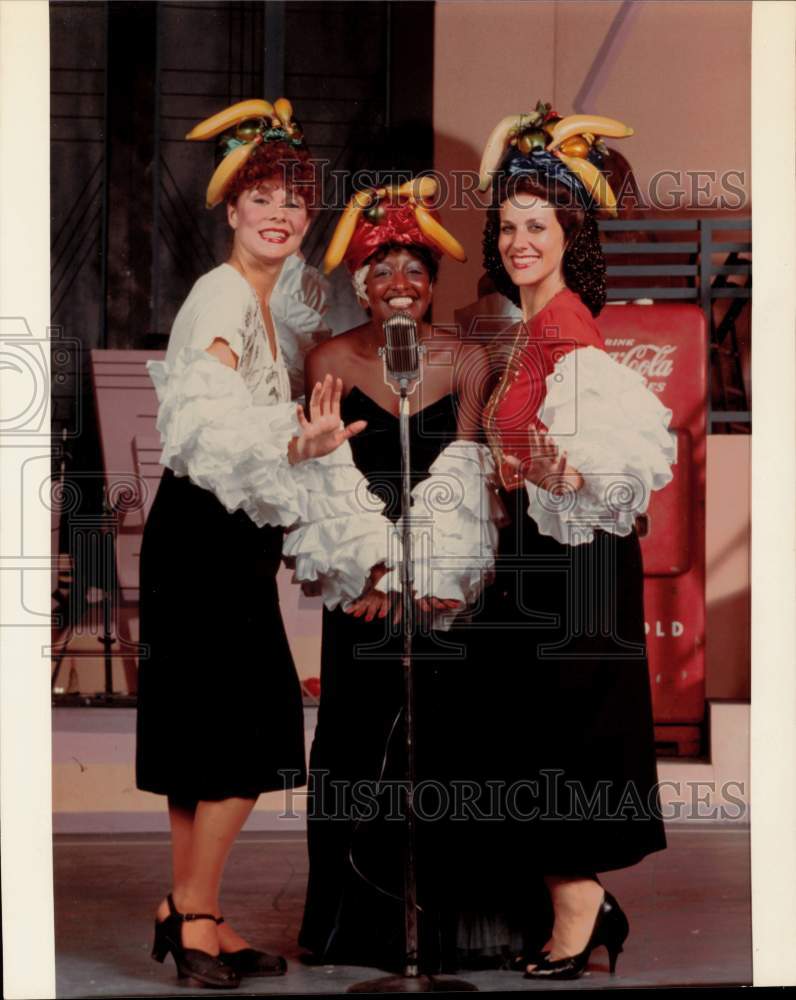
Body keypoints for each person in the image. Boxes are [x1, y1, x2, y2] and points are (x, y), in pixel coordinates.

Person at [136, 98, 389, 991]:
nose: (280, 214)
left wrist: (304, 451)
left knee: (203, 745)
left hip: (220, 538)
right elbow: (203, 428)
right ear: (231, 207)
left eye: (295, 201)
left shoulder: (272, 303)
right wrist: (294, 441)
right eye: (262, 198)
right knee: (248, 739)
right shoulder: (220, 294)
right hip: (202, 537)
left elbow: (267, 437)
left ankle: (191, 913)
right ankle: (194, 915)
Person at [451, 100, 674, 980]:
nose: (519, 241)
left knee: (561, 733)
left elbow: (611, 468)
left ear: (568, 233)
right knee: (535, 732)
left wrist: (557, 471)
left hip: (575, 565)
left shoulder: (566, 326)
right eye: (508, 227)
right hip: (545, 558)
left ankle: (581, 909)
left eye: (537, 226)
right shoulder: (528, 330)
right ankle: (580, 907)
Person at [281, 179, 505, 972]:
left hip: (445, 588)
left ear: (433, 284)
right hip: (364, 589)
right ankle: (352, 925)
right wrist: (373, 572)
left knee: (449, 737)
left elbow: (468, 471)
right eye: (382, 271)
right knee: (355, 736)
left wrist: (439, 570)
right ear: (360, 283)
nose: (400, 283)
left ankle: (447, 926)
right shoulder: (328, 358)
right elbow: (326, 476)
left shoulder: (468, 359)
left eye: (414, 270)